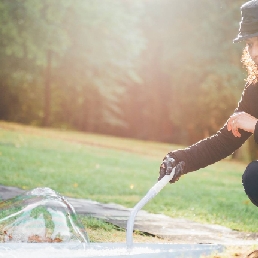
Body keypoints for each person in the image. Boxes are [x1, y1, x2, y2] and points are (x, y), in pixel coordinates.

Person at [159, 1, 258, 256]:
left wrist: (256, 125)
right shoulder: (255, 90)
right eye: (249, 44)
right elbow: (226, 140)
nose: (254, 52)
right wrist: (183, 159)